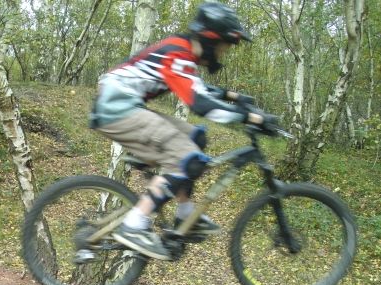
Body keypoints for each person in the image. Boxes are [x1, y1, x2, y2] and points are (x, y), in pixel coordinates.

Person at [89, 1, 273, 260]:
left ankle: (185, 213)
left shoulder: (182, 52)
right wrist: (251, 117)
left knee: (195, 138)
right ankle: (133, 225)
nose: (224, 53)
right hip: (116, 109)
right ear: (211, 39)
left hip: (123, 106)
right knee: (186, 159)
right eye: (225, 46)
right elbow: (200, 104)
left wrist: (236, 97)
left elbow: (198, 88)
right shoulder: (177, 53)